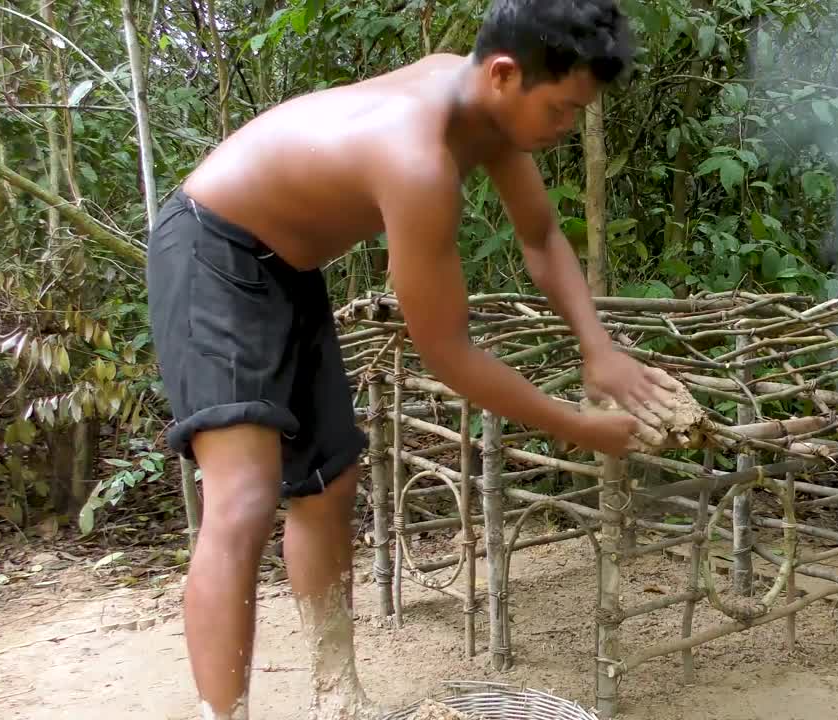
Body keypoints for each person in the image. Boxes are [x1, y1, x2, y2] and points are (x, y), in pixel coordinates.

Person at [145, 0, 678, 717]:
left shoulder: (479, 106)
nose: (565, 127)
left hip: (287, 267)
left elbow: (542, 234)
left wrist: (599, 350)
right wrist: (573, 426)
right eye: (561, 108)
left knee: (329, 482)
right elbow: (449, 354)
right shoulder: (417, 158)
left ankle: (338, 698)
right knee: (242, 498)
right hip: (210, 252)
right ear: (504, 73)